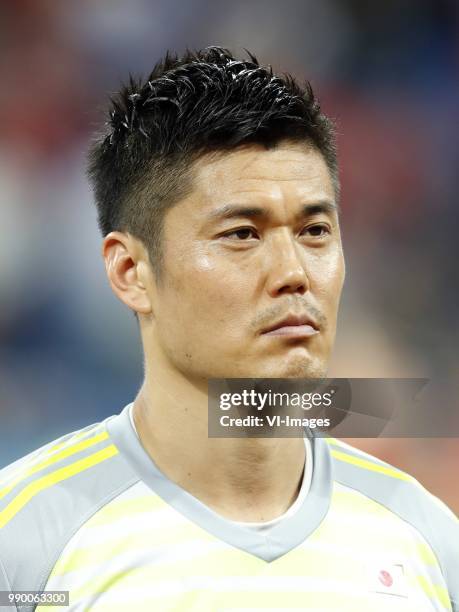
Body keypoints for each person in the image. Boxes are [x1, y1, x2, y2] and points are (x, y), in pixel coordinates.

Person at [0, 46, 457, 612]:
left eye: (315, 231)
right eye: (242, 233)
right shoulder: (22, 542)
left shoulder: (429, 543)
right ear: (130, 272)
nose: (294, 274)